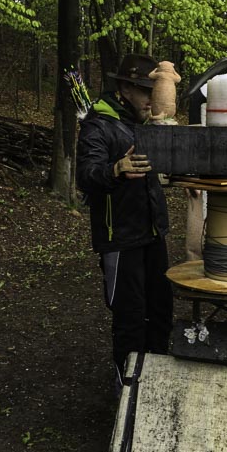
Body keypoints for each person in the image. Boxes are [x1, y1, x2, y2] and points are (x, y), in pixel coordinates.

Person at [76, 54, 173, 389]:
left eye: (156, 90)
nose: (152, 98)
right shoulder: (98, 123)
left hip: (152, 234)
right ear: (124, 88)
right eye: (146, 90)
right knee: (130, 316)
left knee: (160, 311)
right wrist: (116, 169)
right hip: (120, 237)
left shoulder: (145, 125)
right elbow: (87, 175)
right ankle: (127, 387)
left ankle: (156, 381)